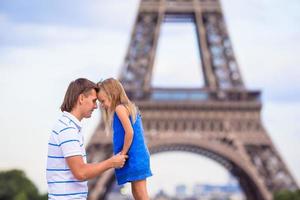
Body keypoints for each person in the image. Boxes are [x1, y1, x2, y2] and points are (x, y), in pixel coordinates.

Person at [46, 78, 128, 200]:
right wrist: (111, 162)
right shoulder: (67, 129)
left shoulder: (69, 127)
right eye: (94, 101)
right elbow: (81, 172)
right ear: (81, 98)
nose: (96, 106)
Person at [97, 77, 152, 200]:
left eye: (103, 100)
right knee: (138, 194)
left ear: (112, 94)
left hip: (134, 157)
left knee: (141, 195)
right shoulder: (127, 107)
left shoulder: (119, 108)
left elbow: (130, 132)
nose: (102, 105)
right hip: (137, 156)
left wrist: (123, 153)